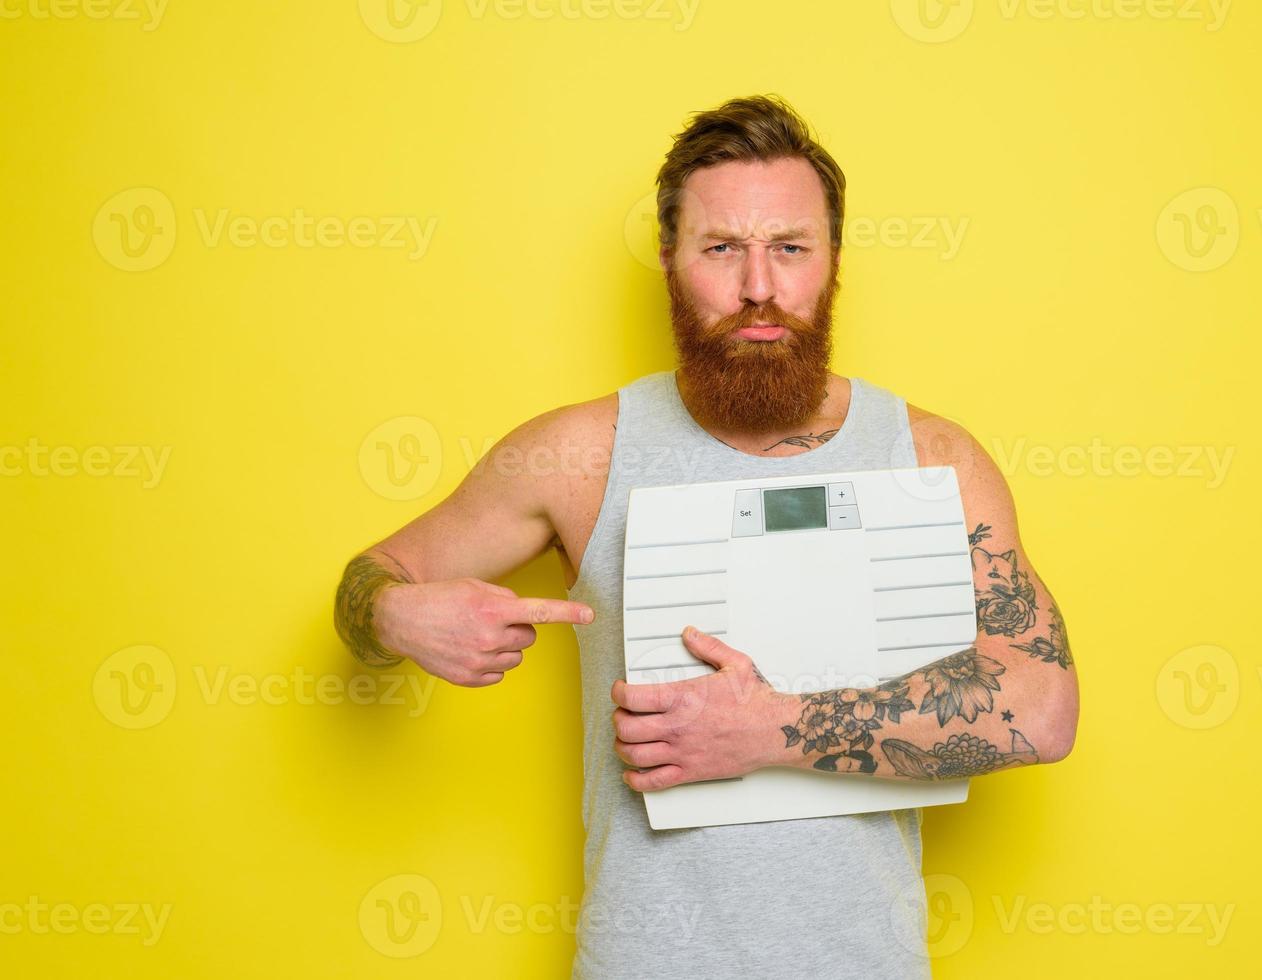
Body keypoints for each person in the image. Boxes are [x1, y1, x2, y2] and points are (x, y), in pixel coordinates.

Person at [333, 94, 1079, 979]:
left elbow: (1041, 709)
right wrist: (393, 619)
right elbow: (370, 581)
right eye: (721, 248)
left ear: (833, 261)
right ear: (668, 260)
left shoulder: (930, 457)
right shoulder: (578, 453)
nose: (757, 286)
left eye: (789, 249)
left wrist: (772, 730)